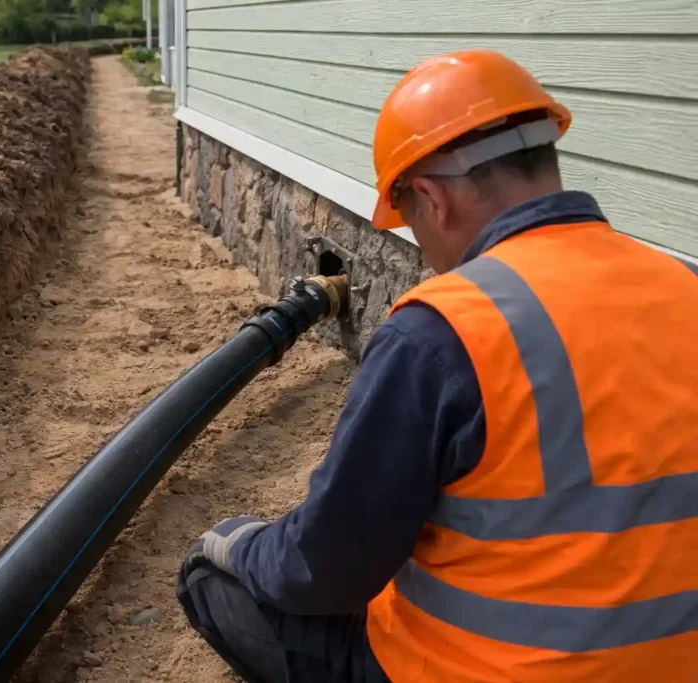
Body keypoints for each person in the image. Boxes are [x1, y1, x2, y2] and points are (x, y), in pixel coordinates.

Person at [175, 48, 698, 682]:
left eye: (410, 219)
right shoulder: (682, 286)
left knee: (209, 578)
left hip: (480, 668)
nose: (422, 249)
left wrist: (241, 543)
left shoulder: (443, 330)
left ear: (431, 198)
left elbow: (322, 570)